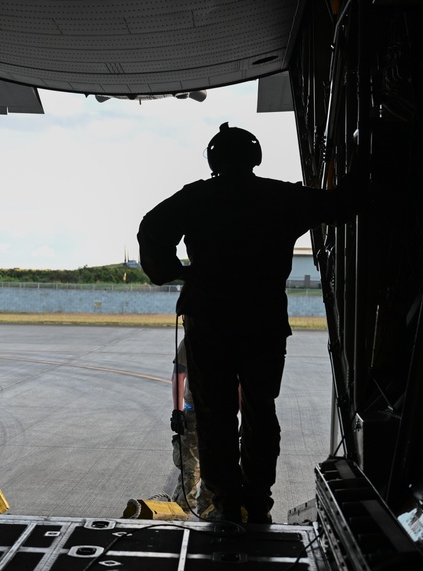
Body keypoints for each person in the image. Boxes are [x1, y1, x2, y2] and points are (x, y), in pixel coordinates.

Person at [137, 122, 362, 524]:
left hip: (210, 321)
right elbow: (343, 205)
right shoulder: (281, 197)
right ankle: (257, 501)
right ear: (254, 157)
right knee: (261, 409)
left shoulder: (198, 197)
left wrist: (176, 271)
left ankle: (225, 503)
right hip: (263, 321)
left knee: (215, 413)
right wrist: (364, 150)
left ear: (213, 159)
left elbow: (151, 229)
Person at [170, 335, 207, 516]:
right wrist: (177, 411)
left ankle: (209, 513)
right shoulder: (192, 340)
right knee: (190, 472)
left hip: (221, 415)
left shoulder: (231, 337)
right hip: (193, 413)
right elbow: (179, 374)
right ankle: (182, 511)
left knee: (218, 471)